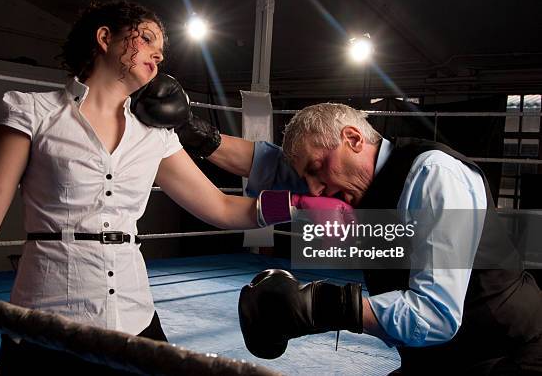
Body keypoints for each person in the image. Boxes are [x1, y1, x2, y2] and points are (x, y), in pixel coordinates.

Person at [0, 1, 345, 375]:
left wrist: (297, 204)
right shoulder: (33, 111)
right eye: (146, 39)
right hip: (46, 312)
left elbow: (220, 207)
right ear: (105, 38)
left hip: (134, 314)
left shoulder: (154, 135)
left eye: (161, 47)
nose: (159, 53)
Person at [177, 103, 542, 375]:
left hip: (509, 354)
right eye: (307, 179)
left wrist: (319, 305)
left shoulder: (433, 175)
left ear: (353, 138)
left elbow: (435, 315)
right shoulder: (345, 180)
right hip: (438, 358)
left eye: (317, 170)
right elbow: (268, 164)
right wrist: (192, 131)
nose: (315, 190)